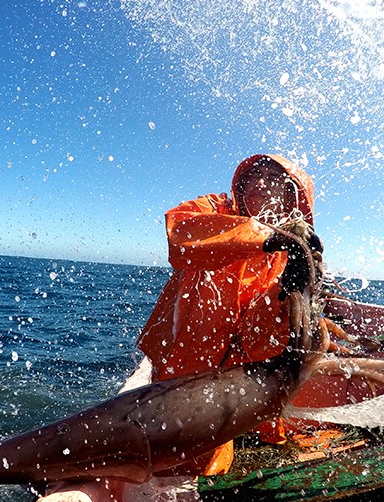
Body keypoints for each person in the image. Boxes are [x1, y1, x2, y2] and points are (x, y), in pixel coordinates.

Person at [136, 154, 322, 475]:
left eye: (277, 182)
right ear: (241, 185)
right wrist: (264, 237)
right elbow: (180, 235)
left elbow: (262, 337)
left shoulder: (285, 255)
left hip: (233, 384)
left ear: (294, 200)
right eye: (256, 177)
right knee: (181, 461)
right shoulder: (215, 209)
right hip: (181, 369)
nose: (262, 185)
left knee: (235, 451)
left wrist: (294, 290)